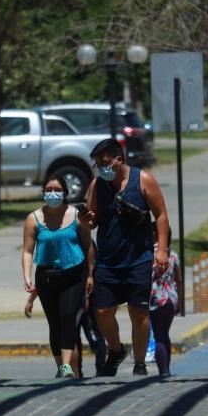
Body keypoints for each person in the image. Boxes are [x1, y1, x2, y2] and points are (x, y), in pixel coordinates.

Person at [83, 138, 170, 376]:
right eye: (97, 164)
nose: (101, 168)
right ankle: (117, 349)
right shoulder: (97, 185)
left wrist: (161, 250)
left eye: (104, 163)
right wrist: (86, 219)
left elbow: (161, 215)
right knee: (102, 312)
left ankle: (140, 363)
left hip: (138, 259)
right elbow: (92, 221)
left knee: (138, 312)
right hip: (108, 261)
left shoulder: (143, 180)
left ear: (118, 160)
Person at [22, 175, 94, 378]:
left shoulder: (76, 215)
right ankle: (61, 367)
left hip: (74, 273)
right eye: (48, 189)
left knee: (68, 316)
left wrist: (90, 274)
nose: (52, 193)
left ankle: (67, 365)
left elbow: (88, 246)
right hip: (46, 275)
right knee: (54, 321)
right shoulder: (33, 219)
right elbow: (28, 251)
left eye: (57, 189)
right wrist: (27, 276)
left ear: (65, 192)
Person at [149, 224, 182, 376]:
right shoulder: (173, 255)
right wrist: (180, 301)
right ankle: (167, 367)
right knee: (165, 333)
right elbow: (179, 279)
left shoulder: (151, 253)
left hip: (156, 298)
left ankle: (164, 370)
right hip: (172, 298)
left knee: (158, 336)